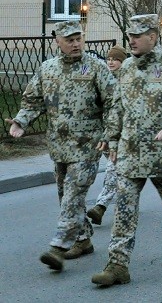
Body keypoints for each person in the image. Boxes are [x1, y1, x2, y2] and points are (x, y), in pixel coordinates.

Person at [91, 14, 162, 287]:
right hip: (130, 153)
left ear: (153, 37)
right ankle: (117, 265)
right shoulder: (126, 67)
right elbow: (117, 106)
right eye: (129, 36)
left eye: (137, 36)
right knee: (124, 209)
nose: (132, 40)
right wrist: (111, 139)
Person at [5, 20, 116, 272]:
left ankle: (58, 247)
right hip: (59, 146)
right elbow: (33, 101)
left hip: (88, 144)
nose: (76, 44)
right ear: (57, 41)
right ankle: (83, 239)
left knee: (74, 194)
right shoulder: (48, 69)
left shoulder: (96, 67)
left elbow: (113, 103)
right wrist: (21, 121)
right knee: (65, 195)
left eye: (79, 38)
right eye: (69, 40)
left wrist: (110, 134)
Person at [87, 45, 128, 226]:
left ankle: (101, 206)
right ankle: (127, 199)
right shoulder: (102, 80)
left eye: (116, 59)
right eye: (109, 58)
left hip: (119, 134)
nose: (111, 62)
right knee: (121, 172)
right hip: (101, 134)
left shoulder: (127, 81)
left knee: (113, 169)